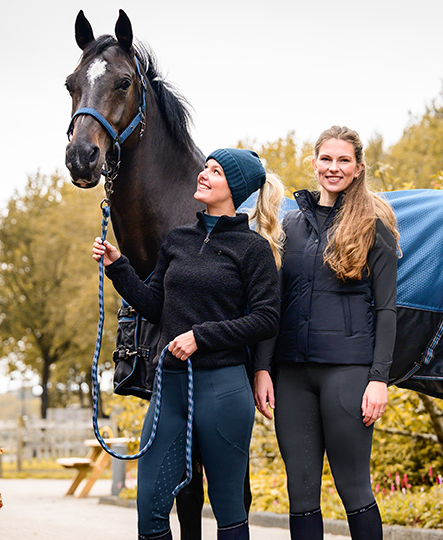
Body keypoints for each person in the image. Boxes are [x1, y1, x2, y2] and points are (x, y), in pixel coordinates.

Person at [93, 148, 283, 540]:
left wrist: (202, 336)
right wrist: (118, 267)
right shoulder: (178, 239)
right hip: (171, 387)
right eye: (205, 168)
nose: (203, 175)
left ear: (236, 188)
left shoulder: (253, 249)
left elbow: (266, 319)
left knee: (229, 506)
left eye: (215, 172)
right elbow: (155, 306)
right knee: (150, 504)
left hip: (225, 388)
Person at [253, 126, 399, 540]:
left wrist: (379, 379)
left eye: (343, 160)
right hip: (292, 375)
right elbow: (272, 304)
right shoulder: (289, 227)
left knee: (354, 488)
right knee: (299, 493)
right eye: (326, 159)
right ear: (314, 163)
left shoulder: (374, 227)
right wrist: (263, 368)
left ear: (357, 169)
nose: (333, 168)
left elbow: (387, 309)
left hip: (348, 374)